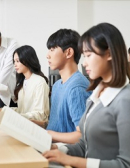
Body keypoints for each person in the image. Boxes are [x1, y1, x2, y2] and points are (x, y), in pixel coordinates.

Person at [43, 23, 130, 168]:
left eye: (89, 55)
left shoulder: (124, 100)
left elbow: (125, 164)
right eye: (84, 56)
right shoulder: (97, 93)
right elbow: (86, 144)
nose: (84, 63)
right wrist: (59, 150)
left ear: (109, 54)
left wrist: (72, 160)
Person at [46, 29, 91, 144]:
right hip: (50, 146)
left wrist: (48, 135)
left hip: (65, 153)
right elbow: (59, 124)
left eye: (52, 50)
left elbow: (82, 136)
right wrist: (36, 124)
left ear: (69, 53)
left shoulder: (76, 87)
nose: (47, 55)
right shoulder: (56, 86)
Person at [0, 45, 49, 122]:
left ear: (27, 60)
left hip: (36, 127)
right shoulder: (22, 82)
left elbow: (40, 115)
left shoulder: (39, 82)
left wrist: (12, 114)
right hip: (23, 124)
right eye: (14, 61)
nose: (15, 65)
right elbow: (22, 110)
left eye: (17, 61)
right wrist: (5, 110)